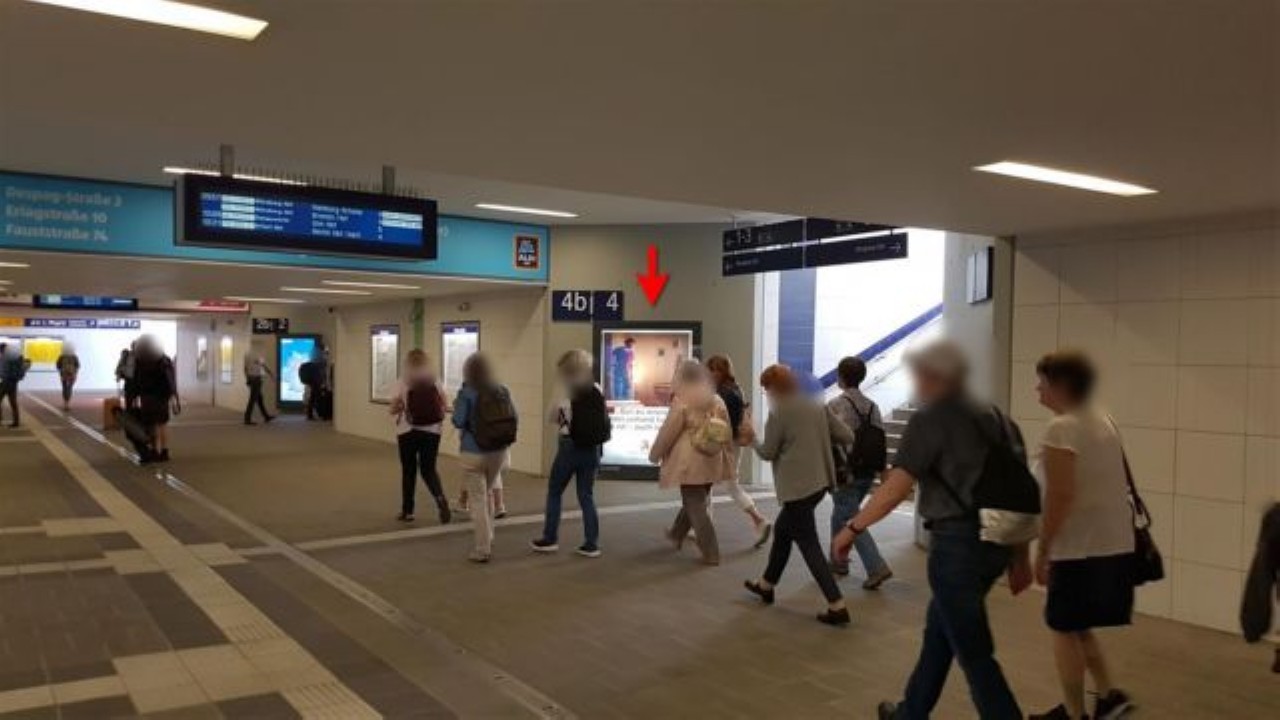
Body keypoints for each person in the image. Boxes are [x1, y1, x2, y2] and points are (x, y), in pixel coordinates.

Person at [833, 340, 1031, 720]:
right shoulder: (999, 418)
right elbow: (1016, 490)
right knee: (940, 632)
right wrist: (1020, 556)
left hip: (957, 547)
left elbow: (896, 488)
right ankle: (911, 712)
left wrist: (852, 528)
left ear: (934, 376)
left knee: (975, 653)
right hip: (997, 544)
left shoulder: (931, 420)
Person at [1028, 351, 1135, 720]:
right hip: (1112, 546)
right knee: (1077, 625)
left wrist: (1043, 550)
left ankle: (1075, 714)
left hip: (1077, 549)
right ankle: (1109, 696)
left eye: (1042, 382)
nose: (1037, 389)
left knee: (1061, 628)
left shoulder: (1062, 428)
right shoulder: (1103, 420)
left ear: (1061, 385)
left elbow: (1060, 495)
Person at [740, 364, 854, 626]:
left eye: (766, 389)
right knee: (783, 531)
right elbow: (846, 435)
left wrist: (752, 438)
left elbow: (768, 452)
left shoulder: (779, 412)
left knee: (809, 544)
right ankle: (766, 585)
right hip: (819, 483)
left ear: (773, 388)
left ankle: (837, 605)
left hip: (797, 489)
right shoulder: (816, 405)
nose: (767, 394)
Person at [649, 360, 733, 566]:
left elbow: (669, 431)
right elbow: (726, 430)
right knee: (696, 501)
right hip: (712, 458)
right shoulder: (716, 399)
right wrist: (727, 457)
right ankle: (676, 535)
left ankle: (711, 552)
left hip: (690, 462)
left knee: (695, 505)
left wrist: (655, 454)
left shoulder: (682, 400)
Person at [532, 349, 608, 558]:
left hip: (569, 447)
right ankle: (591, 544)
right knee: (586, 495)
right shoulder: (596, 388)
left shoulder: (565, 392)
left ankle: (550, 538)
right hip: (592, 448)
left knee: (555, 491)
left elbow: (551, 417)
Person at [827, 356, 894, 589]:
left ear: (841, 377)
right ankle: (838, 561)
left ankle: (876, 566)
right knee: (841, 515)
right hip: (867, 472)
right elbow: (880, 440)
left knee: (851, 519)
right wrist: (883, 470)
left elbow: (829, 439)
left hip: (845, 471)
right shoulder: (873, 406)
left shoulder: (835, 405)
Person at [451, 353, 517, 563]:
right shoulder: (502, 389)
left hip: (473, 452)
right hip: (498, 452)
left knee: (478, 500)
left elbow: (458, 420)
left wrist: (458, 403)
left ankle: (482, 548)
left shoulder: (467, 392)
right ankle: (489, 536)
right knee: (486, 492)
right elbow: (515, 417)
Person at [705, 354, 772, 548]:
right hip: (734, 443)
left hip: (724, 444)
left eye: (713, 369)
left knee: (721, 484)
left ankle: (759, 520)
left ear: (721, 371)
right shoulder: (736, 388)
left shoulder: (722, 393)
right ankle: (702, 524)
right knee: (715, 484)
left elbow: (721, 423)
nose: (710, 373)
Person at [390, 349, 450, 525]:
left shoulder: (403, 381)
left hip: (407, 431)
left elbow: (393, 408)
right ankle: (440, 498)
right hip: (432, 432)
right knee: (429, 469)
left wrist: (398, 407)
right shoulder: (435, 380)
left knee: (409, 470)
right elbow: (444, 405)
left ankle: (408, 511)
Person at [133, 336, 179, 463]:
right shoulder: (165, 360)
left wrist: (135, 396)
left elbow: (137, 381)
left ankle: (154, 450)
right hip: (162, 397)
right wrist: (173, 397)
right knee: (162, 424)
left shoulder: (141, 361)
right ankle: (164, 451)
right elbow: (170, 380)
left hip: (148, 397)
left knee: (152, 425)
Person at [242, 349, 275, 425]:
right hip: (256, 380)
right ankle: (247, 418)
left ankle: (266, 416)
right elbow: (263, 366)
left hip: (253, 379)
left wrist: (247, 379)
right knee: (252, 399)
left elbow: (245, 368)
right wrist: (270, 373)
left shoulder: (247, 355)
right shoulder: (258, 355)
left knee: (259, 399)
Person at [0, 343, 29, 428]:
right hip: (13, 382)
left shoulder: (7, 357)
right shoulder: (15, 356)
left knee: (11, 401)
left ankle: (1, 419)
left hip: (6, 381)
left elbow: (5, 370)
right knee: (13, 402)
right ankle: (16, 422)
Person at [55, 343, 81, 411]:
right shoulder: (74, 357)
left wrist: (61, 370)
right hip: (72, 374)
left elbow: (58, 365)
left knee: (65, 388)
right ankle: (67, 403)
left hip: (63, 374)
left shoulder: (62, 356)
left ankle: (66, 403)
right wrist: (75, 373)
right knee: (69, 388)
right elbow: (78, 366)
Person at [115, 343, 137, 409]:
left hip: (139, 381)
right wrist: (118, 375)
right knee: (129, 400)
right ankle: (129, 411)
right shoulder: (127, 355)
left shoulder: (142, 356)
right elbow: (120, 366)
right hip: (130, 380)